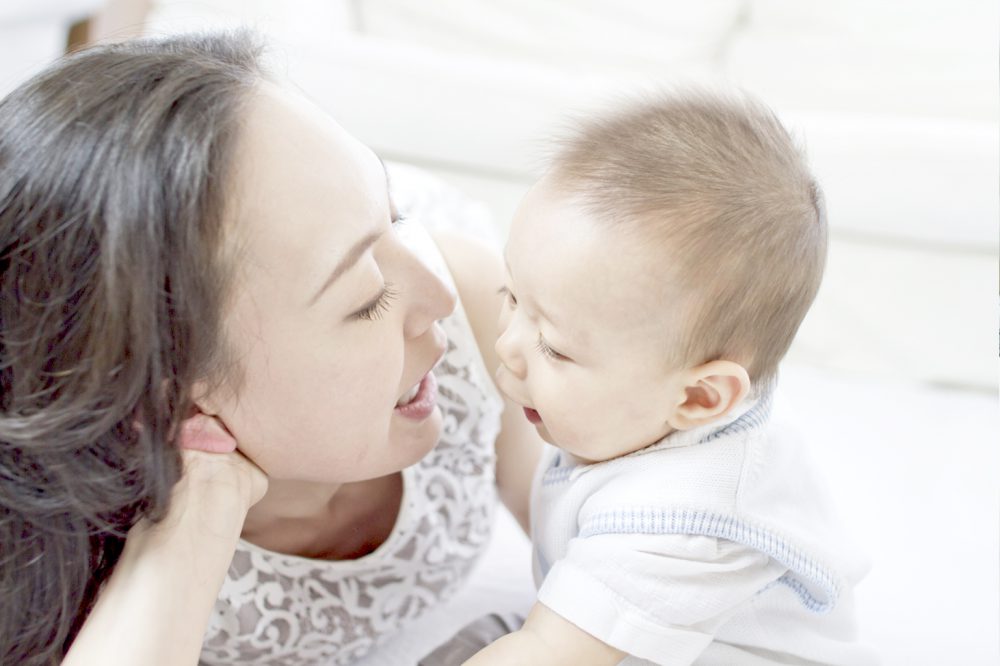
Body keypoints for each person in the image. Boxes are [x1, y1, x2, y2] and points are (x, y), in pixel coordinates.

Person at [0, 32, 542, 666]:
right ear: (180, 401)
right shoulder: (71, 567)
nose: (437, 297)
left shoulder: (472, 298)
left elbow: (624, 539)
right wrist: (197, 518)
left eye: (395, 218)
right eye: (365, 300)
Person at [467, 93, 877, 664]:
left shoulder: (680, 523)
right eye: (511, 295)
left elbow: (546, 651)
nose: (509, 345)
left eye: (554, 348)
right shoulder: (651, 400)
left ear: (701, 397)